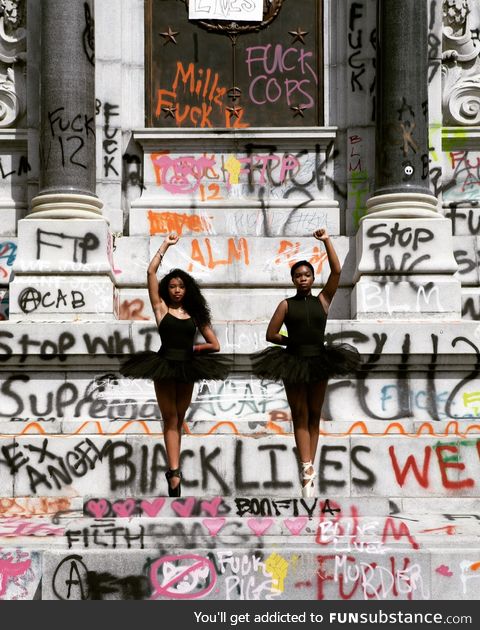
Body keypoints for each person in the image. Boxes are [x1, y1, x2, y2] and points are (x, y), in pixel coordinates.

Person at [252, 228, 361, 497]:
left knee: (315, 415)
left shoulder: (323, 300)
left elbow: (336, 272)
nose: (303, 278)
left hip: (319, 360)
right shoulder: (286, 305)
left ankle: (309, 471)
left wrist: (326, 242)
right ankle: (306, 466)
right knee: (299, 414)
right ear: (293, 279)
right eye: (298, 275)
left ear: (312, 278)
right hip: (293, 361)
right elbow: (271, 334)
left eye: (307, 275)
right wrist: (291, 342)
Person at [120, 232, 229, 497]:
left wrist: (193, 348)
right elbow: (150, 273)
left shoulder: (194, 315)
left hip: (188, 366)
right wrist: (165, 246)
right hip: (164, 364)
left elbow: (215, 345)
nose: (177, 290)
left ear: (187, 289)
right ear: (166, 289)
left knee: (179, 419)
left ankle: (173, 469)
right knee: (169, 418)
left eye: (181, 286)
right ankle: (174, 473)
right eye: (172, 286)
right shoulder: (161, 309)